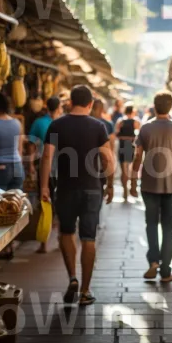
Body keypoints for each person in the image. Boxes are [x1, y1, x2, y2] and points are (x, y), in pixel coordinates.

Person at [40, 85, 115, 306]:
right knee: (88, 238)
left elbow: (46, 157)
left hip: (64, 188)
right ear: (91, 104)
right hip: (92, 189)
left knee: (66, 232)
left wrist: (44, 186)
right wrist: (110, 185)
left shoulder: (57, 125)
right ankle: (85, 291)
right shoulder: (98, 126)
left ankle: (72, 276)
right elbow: (108, 160)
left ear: (70, 102)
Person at [130, 91, 172, 282]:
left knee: (151, 224)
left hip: (149, 185)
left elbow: (137, 156)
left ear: (155, 105)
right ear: (170, 106)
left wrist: (133, 180)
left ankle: (153, 262)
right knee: (168, 227)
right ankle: (166, 270)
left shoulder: (145, 128)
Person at [29, 97, 63, 254]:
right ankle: (61, 240)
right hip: (62, 170)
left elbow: (31, 146)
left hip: (45, 169)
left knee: (45, 204)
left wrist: (30, 164)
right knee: (61, 206)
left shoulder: (38, 122)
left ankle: (43, 243)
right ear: (59, 108)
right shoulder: (63, 123)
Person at [115, 103, 141, 201]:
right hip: (130, 145)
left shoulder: (120, 121)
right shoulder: (135, 121)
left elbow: (117, 133)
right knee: (130, 169)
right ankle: (130, 187)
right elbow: (140, 133)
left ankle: (125, 189)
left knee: (123, 169)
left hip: (122, 145)